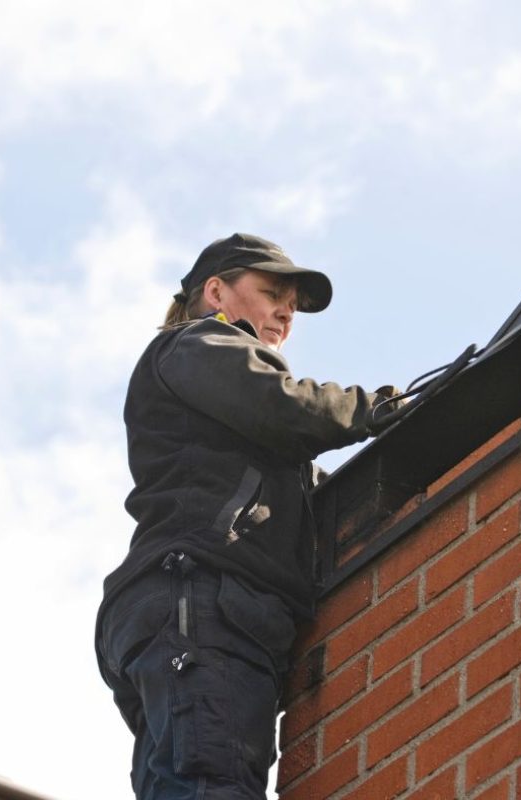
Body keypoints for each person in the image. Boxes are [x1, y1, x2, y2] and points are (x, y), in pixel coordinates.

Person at [96, 233, 392, 800]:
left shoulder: (228, 414)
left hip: (179, 610)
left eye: (293, 304)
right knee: (214, 785)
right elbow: (285, 406)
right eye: (271, 291)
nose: (286, 311)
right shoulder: (199, 343)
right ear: (217, 292)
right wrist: (383, 407)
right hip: (201, 600)